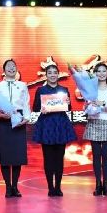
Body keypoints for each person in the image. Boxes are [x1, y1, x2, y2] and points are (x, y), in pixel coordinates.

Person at [32, 64, 77, 196]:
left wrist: (68, 102)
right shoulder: (41, 90)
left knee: (59, 158)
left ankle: (58, 187)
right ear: (46, 75)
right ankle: (50, 188)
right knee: (48, 158)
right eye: (50, 73)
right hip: (46, 125)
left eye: (55, 72)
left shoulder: (64, 90)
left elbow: (68, 108)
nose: (52, 75)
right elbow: (35, 108)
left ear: (58, 74)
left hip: (60, 125)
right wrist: (42, 108)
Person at [0, 59, 30, 198]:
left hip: (18, 121)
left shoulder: (22, 85)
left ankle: (15, 186)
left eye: (14, 66)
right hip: (4, 122)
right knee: (5, 157)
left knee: (17, 156)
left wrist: (26, 118)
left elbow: (26, 103)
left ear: (16, 69)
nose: (11, 68)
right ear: (4, 70)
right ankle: (8, 187)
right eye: (8, 66)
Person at [82, 63, 107, 196]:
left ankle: (106, 184)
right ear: (94, 74)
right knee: (96, 155)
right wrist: (87, 105)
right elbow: (85, 108)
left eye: (104, 71)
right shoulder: (90, 90)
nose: (101, 74)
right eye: (98, 71)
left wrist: (101, 103)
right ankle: (98, 184)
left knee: (106, 155)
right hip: (93, 122)